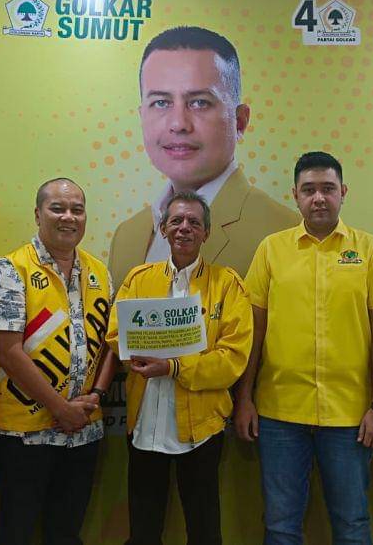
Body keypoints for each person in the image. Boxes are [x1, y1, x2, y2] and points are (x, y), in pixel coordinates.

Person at [234, 151, 373, 544]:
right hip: (279, 414)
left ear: (343, 192)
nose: (319, 198)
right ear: (295, 195)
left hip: (350, 416)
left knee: (352, 523)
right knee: (280, 525)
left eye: (327, 189)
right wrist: (244, 399)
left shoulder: (371, 250)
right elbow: (254, 332)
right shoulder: (271, 249)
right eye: (309, 190)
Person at [106, 191, 253, 545]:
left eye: (194, 222)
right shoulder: (138, 279)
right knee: (143, 531)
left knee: (204, 530)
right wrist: (140, 357)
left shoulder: (227, 284)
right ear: (163, 228)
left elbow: (232, 359)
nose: (184, 228)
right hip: (145, 425)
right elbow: (116, 335)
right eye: (176, 221)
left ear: (207, 233)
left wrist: (174, 366)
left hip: (202, 428)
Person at [0, 177, 118, 544]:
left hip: (84, 430)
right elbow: (8, 352)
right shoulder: (9, 270)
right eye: (57, 208)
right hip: (24, 434)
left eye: (77, 209)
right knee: (17, 532)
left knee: (66, 533)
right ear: (38, 214)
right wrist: (60, 407)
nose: (68, 217)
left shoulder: (99, 272)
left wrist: (96, 396)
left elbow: (111, 343)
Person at [108, 25, 297, 285]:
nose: (178, 124)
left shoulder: (286, 233)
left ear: (240, 121)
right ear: (142, 117)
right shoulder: (126, 236)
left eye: (199, 103)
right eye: (161, 103)